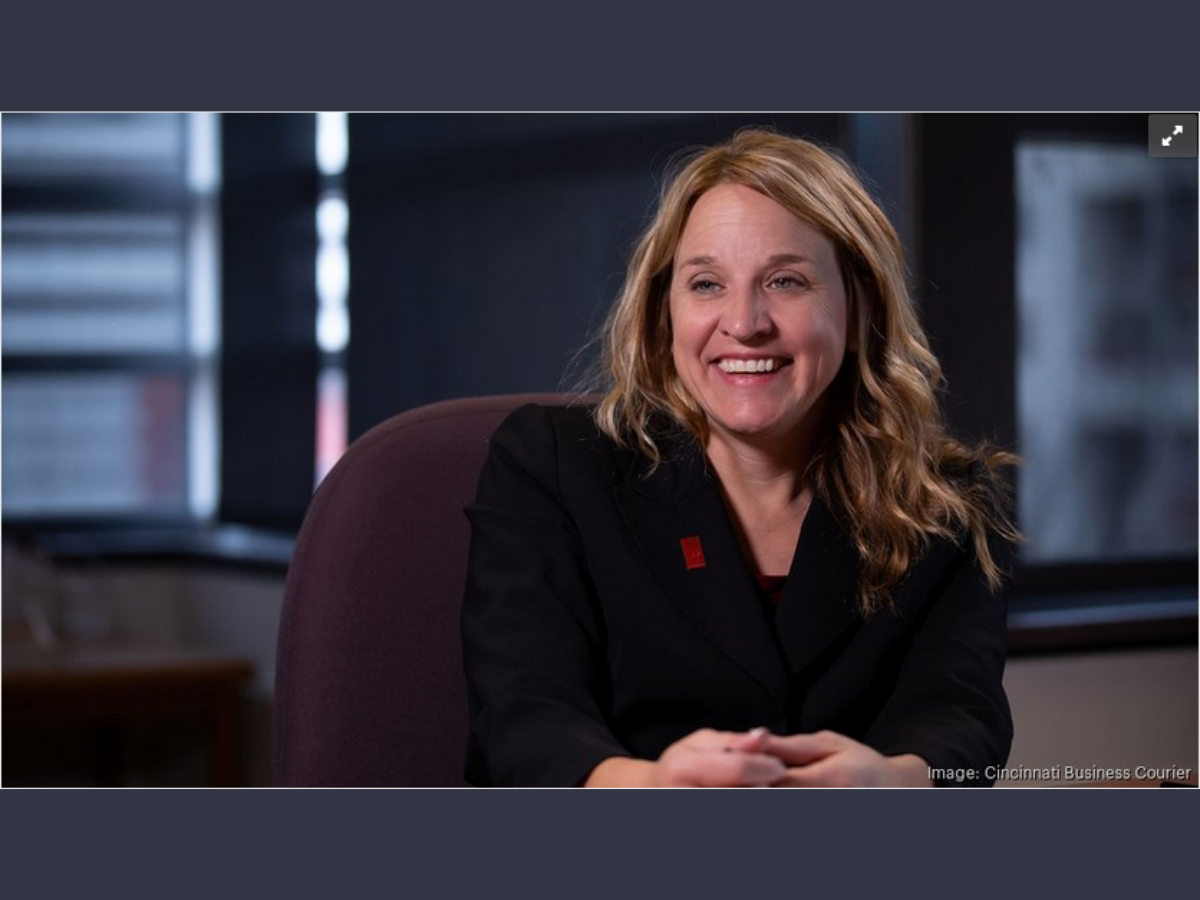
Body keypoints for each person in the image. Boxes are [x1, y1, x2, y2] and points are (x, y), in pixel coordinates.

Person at [461, 129, 1019, 787]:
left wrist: (893, 782)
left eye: (785, 280)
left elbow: (962, 722)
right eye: (706, 284)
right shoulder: (551, 465)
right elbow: (524, 717)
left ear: (858, 300)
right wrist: (647, 788)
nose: (745, 321)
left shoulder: (944, 501)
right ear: (665, 311)